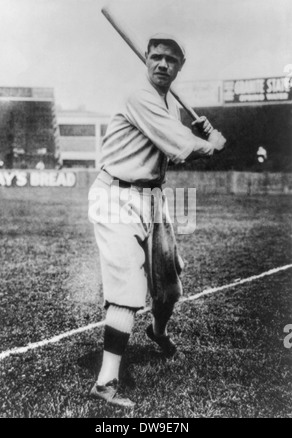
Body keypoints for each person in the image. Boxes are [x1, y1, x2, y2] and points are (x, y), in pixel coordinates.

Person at [88, 33, 226, 408]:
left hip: (151, 197)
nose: (163, 64)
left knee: (170, 286)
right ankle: (106, 381)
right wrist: (209, 144)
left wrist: (189, 132)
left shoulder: (169, 104)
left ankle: (157, 332)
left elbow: (174, 139)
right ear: (146, 59)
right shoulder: (140, 96)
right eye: (157, 57)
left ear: (180, 66)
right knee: (128, 290)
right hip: (115, 195)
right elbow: (178, 147)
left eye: (171, 60)